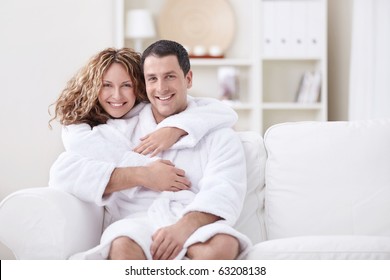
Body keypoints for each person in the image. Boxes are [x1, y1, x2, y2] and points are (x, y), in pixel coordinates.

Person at [49, 41, 251, 260]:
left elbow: (224, 191)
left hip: (191, 217)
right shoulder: (121, 129)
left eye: (170, 76)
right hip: (137, 222)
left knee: (223, 245)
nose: (161, 88)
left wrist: (183, 228)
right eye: (152, 79)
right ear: (144, 84)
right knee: (122, 246)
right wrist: (142, 174)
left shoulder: (219, 135)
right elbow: (63, 172)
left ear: (188, 79)